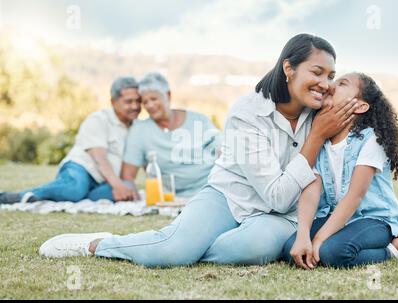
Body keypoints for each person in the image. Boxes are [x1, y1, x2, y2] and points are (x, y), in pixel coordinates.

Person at [38, 34, 359, 267]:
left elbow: (283, 201)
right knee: (171, 251)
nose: (326, 83)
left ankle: (182, 246)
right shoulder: (247, 112)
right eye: (316, 72)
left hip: (282, 214)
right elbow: (274, 192)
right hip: (228, 196)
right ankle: (101, 244)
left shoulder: (322, 112)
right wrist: (315, 138)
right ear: (289, 68)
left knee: (249, 250)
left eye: (331, 75)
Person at [282, 72, 398, 269]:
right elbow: (311, 190)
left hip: (373, 219)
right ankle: (325, 241)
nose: (330, 86)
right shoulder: (321, 140)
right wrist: (303, 234)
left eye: (342, 83)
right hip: (338, 217)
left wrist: (319, 238)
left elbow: (355, 196)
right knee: (288, 249)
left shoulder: (371, 139)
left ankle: (396, 247)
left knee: (331, 252)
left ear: (361, 106)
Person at [0, 77, 141, 204]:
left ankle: (74, 196)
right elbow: (100, 159)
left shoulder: (138, 128)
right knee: (75, 189)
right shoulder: (98, 119)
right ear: (113, 102)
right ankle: (19, 196)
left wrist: (125, 187)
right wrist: (117, 185)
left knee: (122, 194)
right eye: (129, 102)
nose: (135, 106)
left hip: (105, 181)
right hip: (80, 169)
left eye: (138, 101)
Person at [119, 72, 222, 199]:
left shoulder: (199, 120)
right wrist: (131, 194)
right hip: (172, 197)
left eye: (154, 99)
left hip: (212, 189)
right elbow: (127, 174)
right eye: (145, 102)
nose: (149, 105)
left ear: (168, 95)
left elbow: (224, 153)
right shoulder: (140, 130)